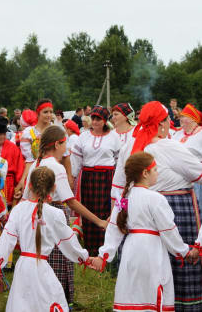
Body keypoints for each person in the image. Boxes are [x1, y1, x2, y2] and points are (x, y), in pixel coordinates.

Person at [111, 101, 202, 311]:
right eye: (168, 119)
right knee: (179, 266)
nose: (171, 123)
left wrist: (120, 213)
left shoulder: (129, 148)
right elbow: (198, 174)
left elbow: (117, 188)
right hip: (175, 209)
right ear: (162, 124)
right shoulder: (168, 147)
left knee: (150, 265)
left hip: (137, 211)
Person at [93, 152, 195, 312]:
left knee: (132, 292)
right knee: (153, 292)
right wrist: (183, 252)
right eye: (155, 170)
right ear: (145, 173)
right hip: (151, 251)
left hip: (131, 251)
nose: (158, 173)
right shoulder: (156, 198)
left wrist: (104, 255)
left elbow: (114, 228)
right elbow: (168, 230)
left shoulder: (124, 198)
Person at [22, 126, 107, 305]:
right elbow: (71, 201)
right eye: (64, 144)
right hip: (53, 215)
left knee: (42, 260)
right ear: (57, 144)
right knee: (58, 263)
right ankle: (58, 303)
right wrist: (99, 221)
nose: (66, 149)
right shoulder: (55, 167)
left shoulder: (36, 165)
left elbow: (25, 198)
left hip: (34, 216)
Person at [0, 166, 91, 311]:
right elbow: (69, 242)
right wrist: (84, 257)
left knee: (22, 303)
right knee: (48, 300)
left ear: (29, 185)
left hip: (23, 267)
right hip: (41, 267)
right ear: (54, 188)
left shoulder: (18, 210)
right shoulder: (55, 214)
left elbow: (6, 242)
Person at [70, 105, 121, 255]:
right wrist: (72, 177)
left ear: (105, 120)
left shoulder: (114, 136)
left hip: (107, 177)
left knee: (105, 210)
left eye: (98, 119)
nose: (95, 121)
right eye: (93, 118)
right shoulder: (83, 136)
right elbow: (76, 160)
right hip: (88, 177)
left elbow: (118, 160)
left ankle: (104, 250)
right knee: (88, 209)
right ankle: (90, 250)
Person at [21, 99, 74, 191]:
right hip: (37, 176)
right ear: (37, 113)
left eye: (51, 112)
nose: (49, 115)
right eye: (45, 112)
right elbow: (29, 161)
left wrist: (69, 177)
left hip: (56, 174)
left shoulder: (58, 131)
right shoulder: (28, 133)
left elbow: (66, 157)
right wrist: (23, 180)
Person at [0, 116, 25, 208]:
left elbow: (19, 169)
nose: (2, 137)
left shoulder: (12, 147)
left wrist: (18, 187)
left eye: (4, 133)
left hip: (8, 189)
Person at [172, 104, 202, 205]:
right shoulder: (177, 133)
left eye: (183, 117)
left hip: (197, 177)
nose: (180, 119)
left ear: (193, 119)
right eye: (180, 117)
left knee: (199, 206)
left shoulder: (200, 133)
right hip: (177, 178)